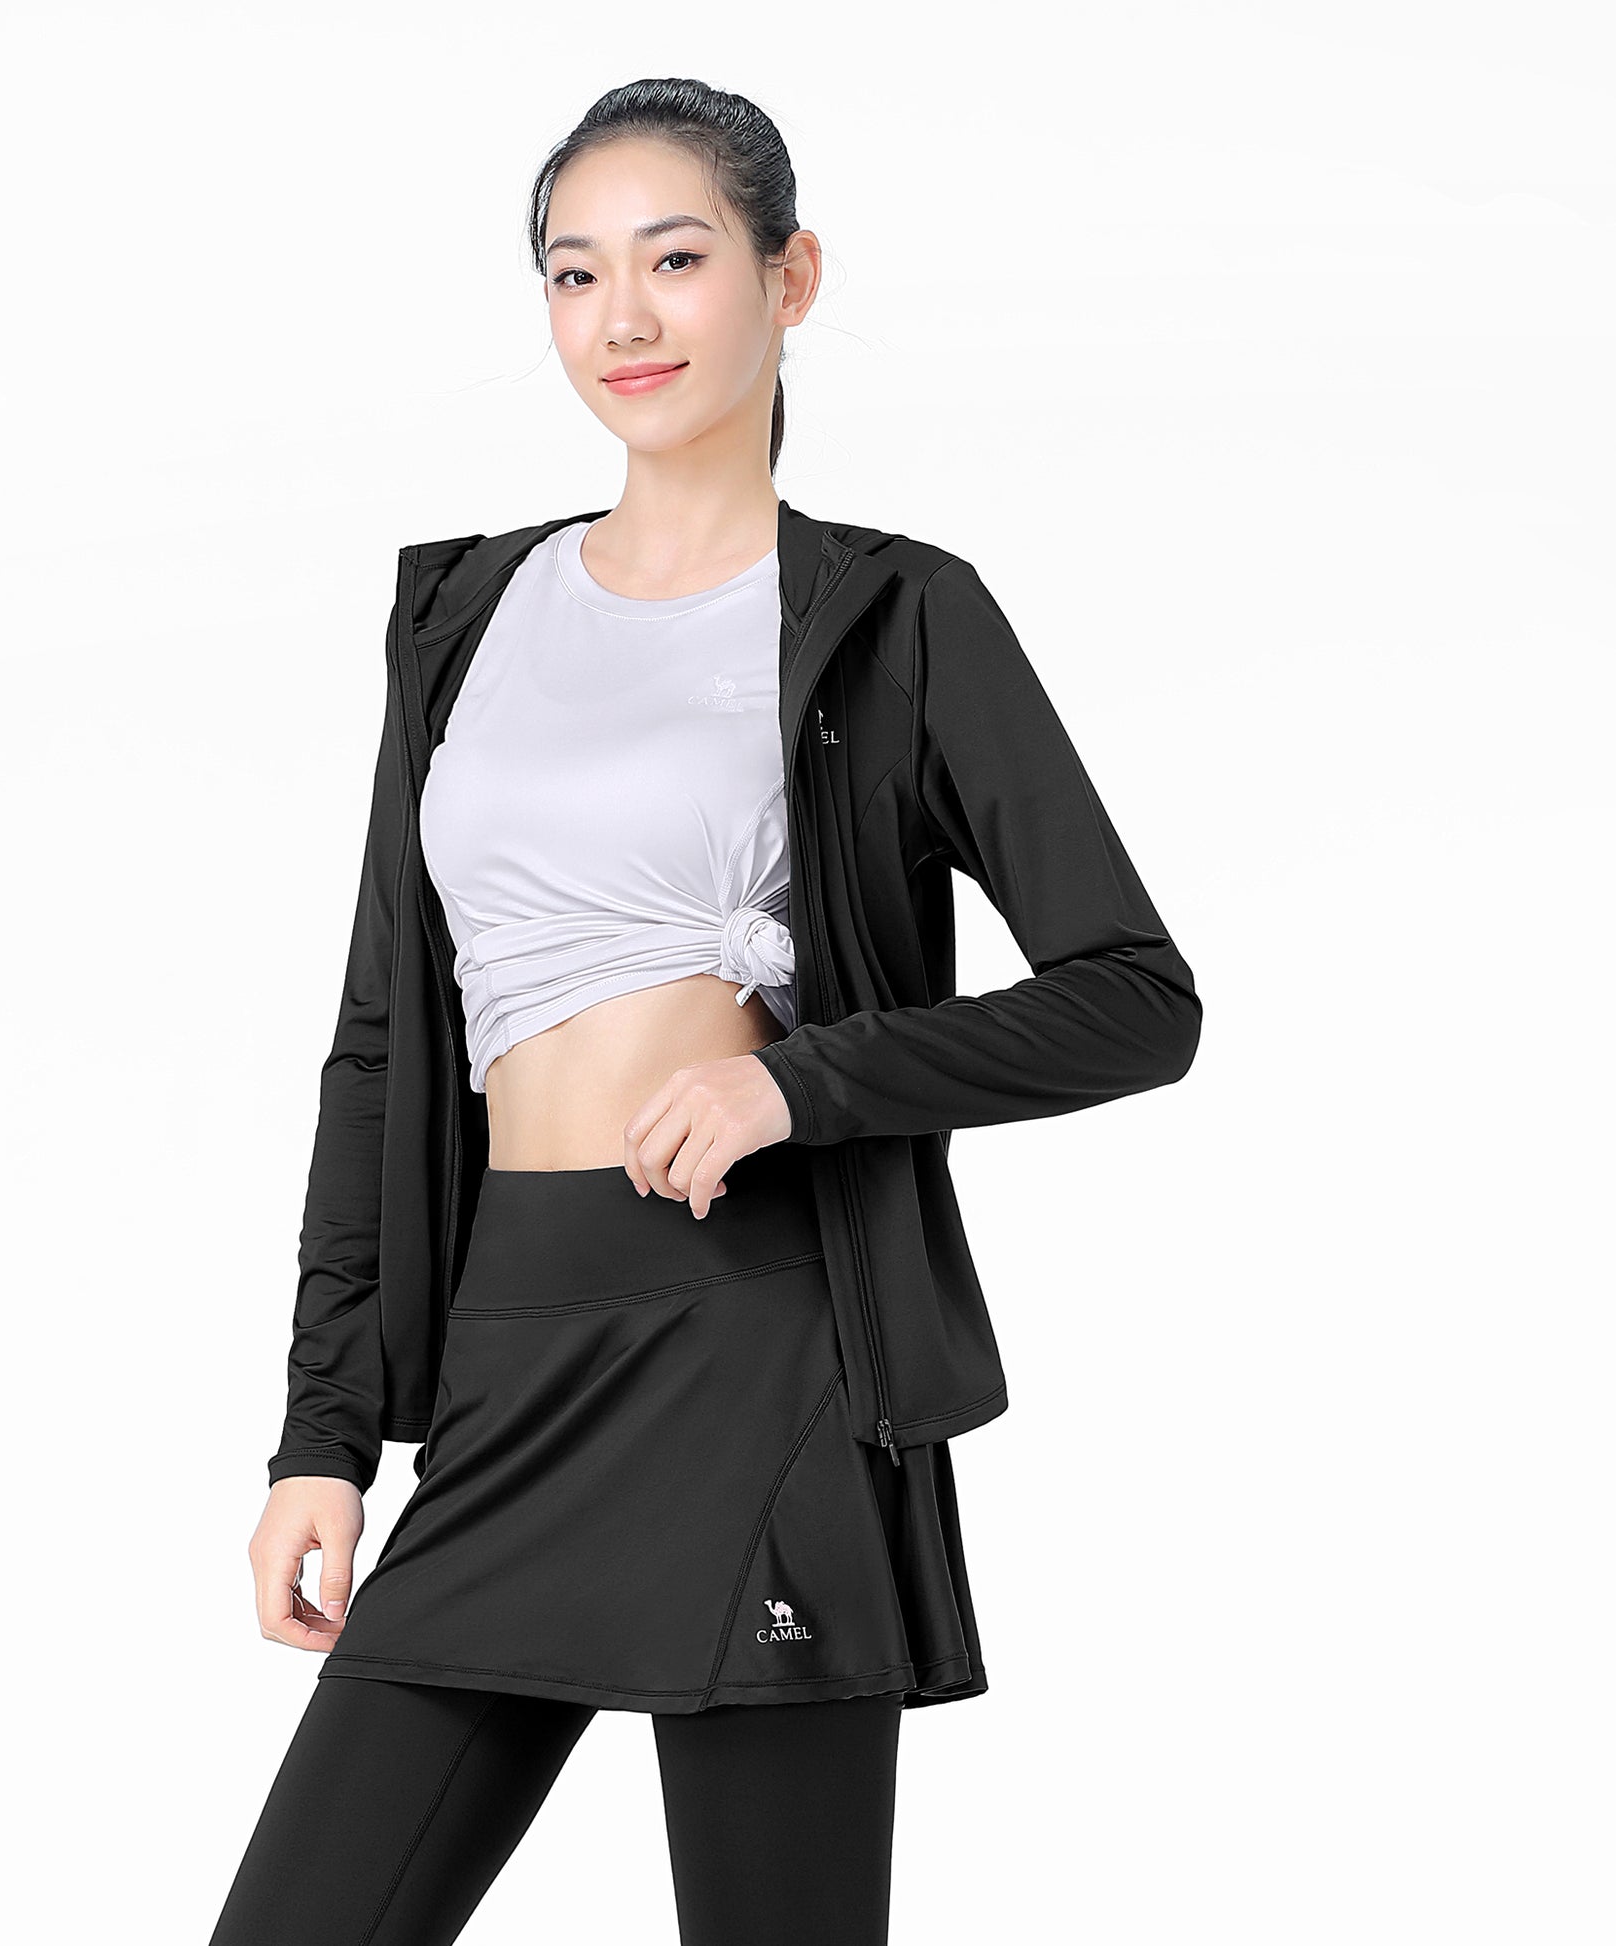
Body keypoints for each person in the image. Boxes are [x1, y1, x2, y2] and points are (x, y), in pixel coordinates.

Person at [209, 77, 1201, 1946]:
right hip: (510, 1341)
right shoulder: (464, 616)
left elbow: (1134, 1000)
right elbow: (381, 1042)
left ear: (787, 276)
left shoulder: (894, 616)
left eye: (673, 260)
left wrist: (799, 1085)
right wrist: (321, 1433)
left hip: (757, 1337)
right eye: (574, 273)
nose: (623, 317)